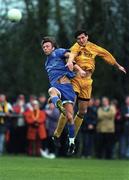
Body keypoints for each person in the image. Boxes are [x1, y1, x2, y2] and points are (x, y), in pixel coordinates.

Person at [53, 29, 126, 142]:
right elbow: (71, 55)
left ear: (87, 37)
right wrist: (70, 61)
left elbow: (106, 54)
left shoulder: (94, 47)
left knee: (82, 112)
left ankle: (72, 138)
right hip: (76, 79)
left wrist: (118, 65)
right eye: (78, 39)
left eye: (83, 37)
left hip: (87, 82)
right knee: (69, 106)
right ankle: (57, 135)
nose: (81, 40)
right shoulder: (76, 47)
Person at [41, 37, 84, 154]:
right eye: (44, 47)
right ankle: (57, 103)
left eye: (47, 46)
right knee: (51, 90)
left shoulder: (58, 52)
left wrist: (78, 69)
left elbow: (70, 54)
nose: (45, 48)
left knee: (70, 117)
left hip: (68, 88)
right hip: (57, 88)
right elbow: (52, 81)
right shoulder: (46, 63)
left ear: (53, 47)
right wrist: (54, 97)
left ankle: (71, 142)